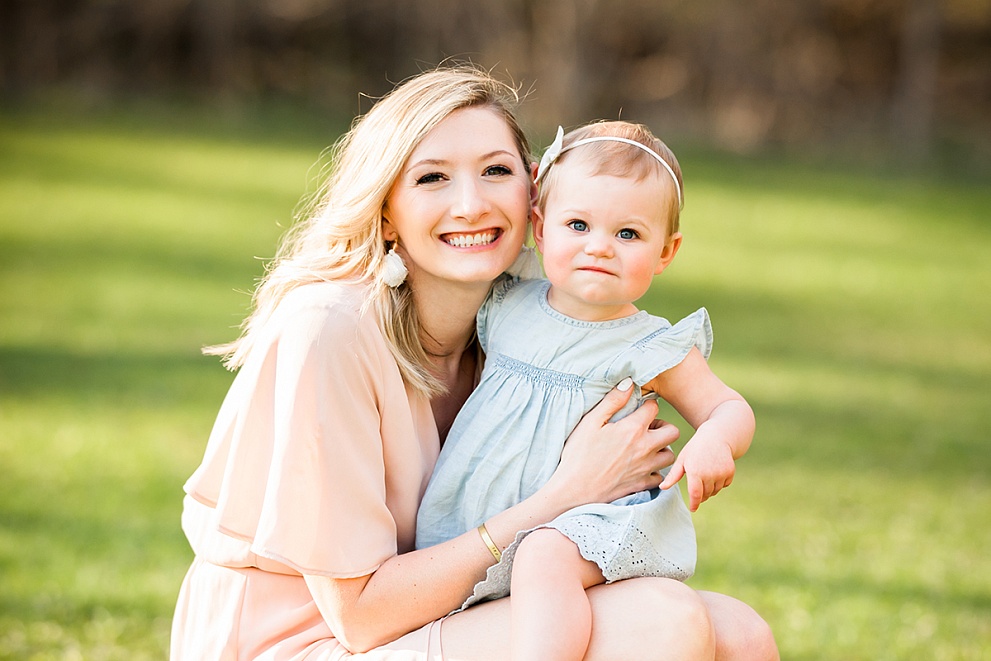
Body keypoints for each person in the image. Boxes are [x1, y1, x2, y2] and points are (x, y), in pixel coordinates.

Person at [170, 64, 778, 660]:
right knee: (661, 621)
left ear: (533, 191)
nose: (470, 204)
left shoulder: (517, 320)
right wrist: (568, 494)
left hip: (441, 612)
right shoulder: (328, 329)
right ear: (385, 209)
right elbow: (358, 618)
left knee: (743, 635)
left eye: (495, 171)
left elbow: (712, 402)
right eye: (432, 178)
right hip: (304, 641)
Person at [415, 120, 755, 660]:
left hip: (595, 522)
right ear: (542, 229)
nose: (601, 248)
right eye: (579, 225)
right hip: (491, 513)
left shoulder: (648, 345)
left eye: (628, 234)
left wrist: (716, 438)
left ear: (666, 252)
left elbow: (728, 406)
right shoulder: (507, 302)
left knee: (544, 556)